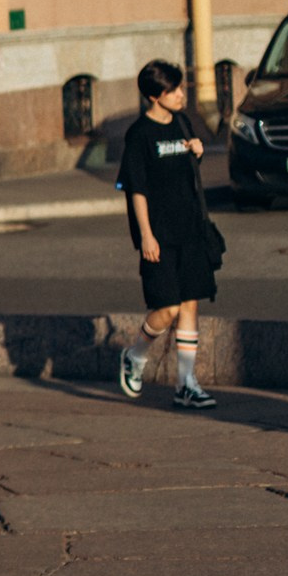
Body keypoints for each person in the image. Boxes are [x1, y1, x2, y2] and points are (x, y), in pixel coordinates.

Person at [115, 60, 219, 410]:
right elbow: (137, 188)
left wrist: (197, 152)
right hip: (159, 234)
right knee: (167, 308)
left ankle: (186, 384)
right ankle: (135, 355)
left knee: (190, 302)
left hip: (190, 227)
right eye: (172, 90)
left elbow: (182, 172)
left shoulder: (182, 122)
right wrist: (145, 235)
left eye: (181, 88)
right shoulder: (140, 135)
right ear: (153, 96)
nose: (180, 95)